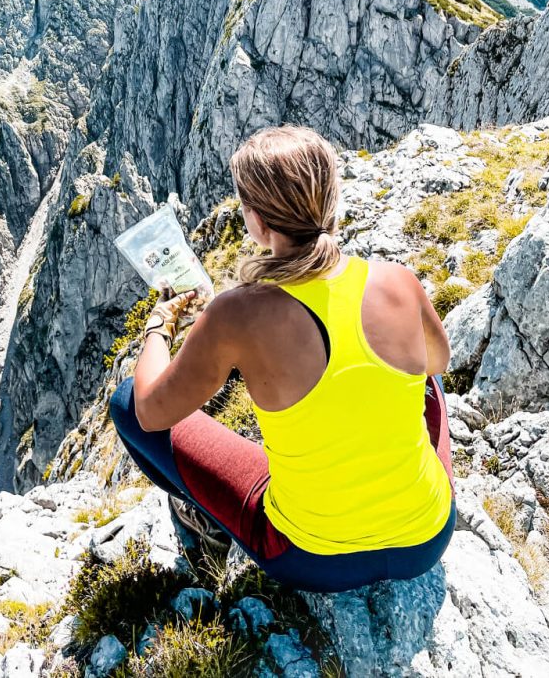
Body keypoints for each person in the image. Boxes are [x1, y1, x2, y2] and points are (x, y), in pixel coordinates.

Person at [109, 124, 456, 593]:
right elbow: (438, 364)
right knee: (427, 386)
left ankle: (205, 522)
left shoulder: (237, 314)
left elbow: (151, 411)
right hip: (426, 539)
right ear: (331, 199)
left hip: (311, 560)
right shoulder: (398, 281)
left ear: (256, 221)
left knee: (128, 401)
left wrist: (159, 326)